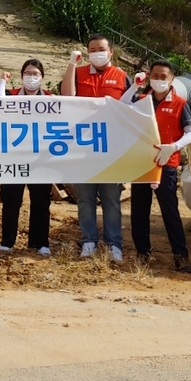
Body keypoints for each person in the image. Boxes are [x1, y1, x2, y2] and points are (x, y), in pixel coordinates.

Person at [122, 60, 191, 273]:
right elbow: (121, 105)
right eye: (155, 75)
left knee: (170, 211)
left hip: (166, 164)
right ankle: (142, 253)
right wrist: (135, 86)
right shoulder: (142, 100)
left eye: (164, 76)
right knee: (139, 211)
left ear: (172, 79)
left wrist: (173, 147)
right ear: (149, 76)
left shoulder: (180, 103)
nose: (159, 80)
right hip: (142, 164)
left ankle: (180, 255)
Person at [61, 34, 129, 263]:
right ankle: (88, 241)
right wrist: (72, 64)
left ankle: (113, 245)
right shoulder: (79, 73)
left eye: (101, 49)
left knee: (111, 200)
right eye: (92, 49)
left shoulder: (122, 77)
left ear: (111, 52)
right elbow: (67, 97)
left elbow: (132, 110)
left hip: (111, 150)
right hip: (84, 148)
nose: (96, 53)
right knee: (85, 199)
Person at [0, 59, 53, 256]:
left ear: (42, 77)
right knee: (11, 200)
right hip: (14, 158)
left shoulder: (51, 99)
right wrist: (2, 83)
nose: (31, 77)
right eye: (28, 73)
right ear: (21, 77)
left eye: (35, 74)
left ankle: (40, 242)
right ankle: (7, 241)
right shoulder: (10, 95)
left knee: (41, 201)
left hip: (41, 158)